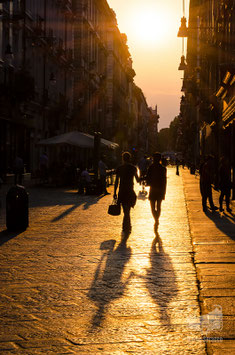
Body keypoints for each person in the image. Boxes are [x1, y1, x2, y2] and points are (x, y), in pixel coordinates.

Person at [114, 151, 140, 236]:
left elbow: (116, 181)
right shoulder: (133, 168)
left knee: (126, 211)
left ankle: (126, 227)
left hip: (122, 191)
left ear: (123, 158)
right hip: (130, 191)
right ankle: (127, 226)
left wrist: (114, 192)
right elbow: (137, 180)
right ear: (130, 158)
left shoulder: (119, 168)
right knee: (127, 210)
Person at [146, 152, 167, 229]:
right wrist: (164, 191)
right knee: (158, 206)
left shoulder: (151, 167)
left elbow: (147, 178)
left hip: (153, 189)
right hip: (160, 190)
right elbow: (164, 181)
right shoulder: (163, 168)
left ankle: (156, 219)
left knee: (152, 207)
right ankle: (157, 219)